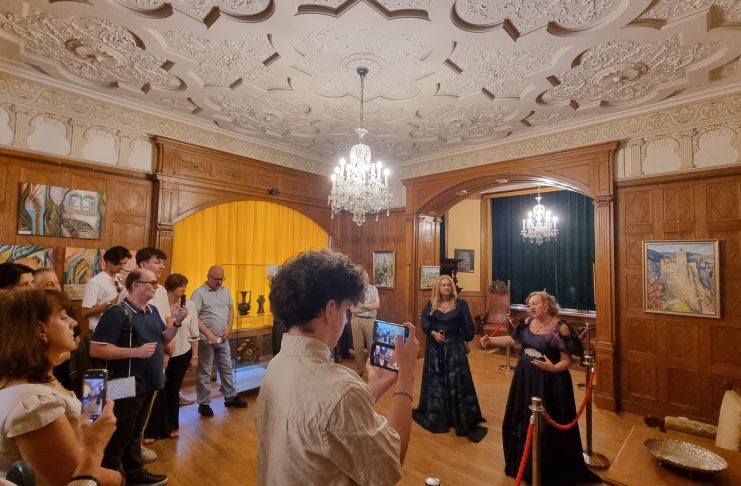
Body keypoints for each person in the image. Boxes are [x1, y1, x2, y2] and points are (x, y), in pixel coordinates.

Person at [255, 249, 418, 485]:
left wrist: (373, 387)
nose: (345, 319)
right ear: (331, 310)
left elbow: (327, 422)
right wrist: (407, 377)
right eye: (346, 309)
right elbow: (389, 465)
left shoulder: (277, 364)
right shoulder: (342, 390)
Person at [0, 288, 122, 486]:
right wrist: (119, 478)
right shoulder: (34, 405)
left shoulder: (37, 379)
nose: (74, 323)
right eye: (64, 317)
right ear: (41, 330)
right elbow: (73, 479)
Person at [480, 291, 601, 485]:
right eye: (529, 304)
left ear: (547, 305)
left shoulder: (560, 328)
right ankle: (523, 465)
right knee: (522, 419)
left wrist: (553, 368)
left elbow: (567, 361)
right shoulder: (527, 322)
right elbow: (513, 340)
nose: (531, 307)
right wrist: (491, 340)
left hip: (550, 382)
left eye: (535, 304)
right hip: (525, 378)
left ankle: (545, 470)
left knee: (545, 427)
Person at [90, 269, 180, 486]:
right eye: (152, 283)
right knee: (120, 432)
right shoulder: (117, 313)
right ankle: (111, 477)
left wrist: (176, 324)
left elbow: (164, 339)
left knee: (135, 431)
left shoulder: (152, 310)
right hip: (125, 383)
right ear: (136, 285)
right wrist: (135, 352)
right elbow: (96, 349)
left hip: (148, 382)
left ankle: (134, 473)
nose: (156, 286)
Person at [413, 274, 487, 443]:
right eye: (443, 285)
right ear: (438, 288)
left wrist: (464, 340)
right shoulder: (431, 304)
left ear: (452, 287)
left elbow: (468, 328)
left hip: (454, 348)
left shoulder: (461, 304)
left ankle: (456, 415)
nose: (446, 287)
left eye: (448, 285)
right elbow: (425, 322)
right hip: (435, 349)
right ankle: (440, 414)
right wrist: (433, 333)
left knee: (456, 382)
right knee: (436, 382)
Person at [144, 274, 199, 441]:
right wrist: (166, 352)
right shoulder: (160, 304)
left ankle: (172, 426)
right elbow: (158, 331)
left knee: (174, 390)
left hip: (182, 353)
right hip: (161, 353)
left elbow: (194, 333)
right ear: (170, 287)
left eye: (185, 286)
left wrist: (195, 356)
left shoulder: (189, 305)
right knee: (159, 390)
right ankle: (153, 429)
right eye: (180, 286)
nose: (184, 289)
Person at [191, 265, 247, 417]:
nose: (219, 282)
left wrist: (228, 328)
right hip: (205, 340)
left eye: (221, 279)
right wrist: (208, 334)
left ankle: (230, 397)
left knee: (227, 368)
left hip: (222, 339)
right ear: (208, 277)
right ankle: (204, 403)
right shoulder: (198, 293)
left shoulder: (225, 291)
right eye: (216, 279)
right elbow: (193, 317)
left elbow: (231, 310)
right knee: (204, 372)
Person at [81, 246, 131, 332]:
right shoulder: (95, 282)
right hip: (101, 330)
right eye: (119, 263)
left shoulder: (121, 278)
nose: (122, 267)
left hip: (119, 329)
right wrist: (112, 302)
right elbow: (85, 313)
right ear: (108, 261)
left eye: (125, 263)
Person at [350, 268, 380, 377]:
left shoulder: (374, 289)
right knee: (358, 346)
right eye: (363, 278)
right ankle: (360, 371)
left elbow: (377, 305)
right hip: (356, 320)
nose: (365, 279)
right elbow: (353, 310)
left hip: (370, 320)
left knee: (372, 346)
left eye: (366, 277)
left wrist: (362, 306)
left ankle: (373, 370)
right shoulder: (354, 291)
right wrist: (369, 306)